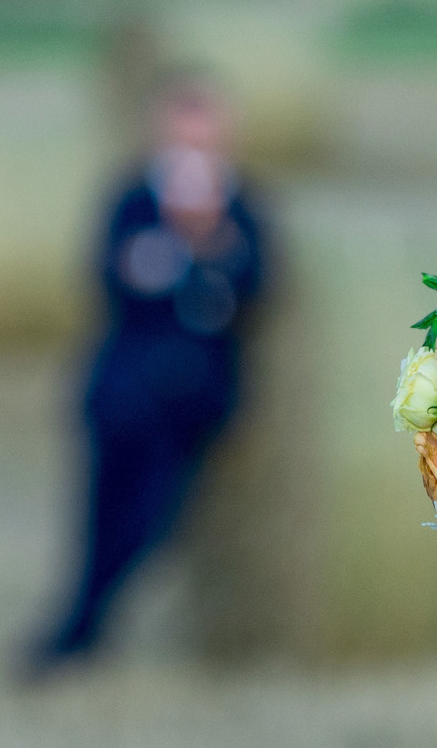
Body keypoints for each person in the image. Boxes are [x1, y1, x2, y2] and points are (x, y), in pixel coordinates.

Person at [21, 72, 265, 678]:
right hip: (123, 395)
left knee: (152, 517)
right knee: (101, 514)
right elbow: (111, 278)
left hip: (191, 402)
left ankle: (80, 628)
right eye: (180, 140)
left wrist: (203, 245)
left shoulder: (243, 209)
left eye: (203, 140)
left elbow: (255, 284)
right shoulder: (132, 199)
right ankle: (79, 625)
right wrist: (181, 250)